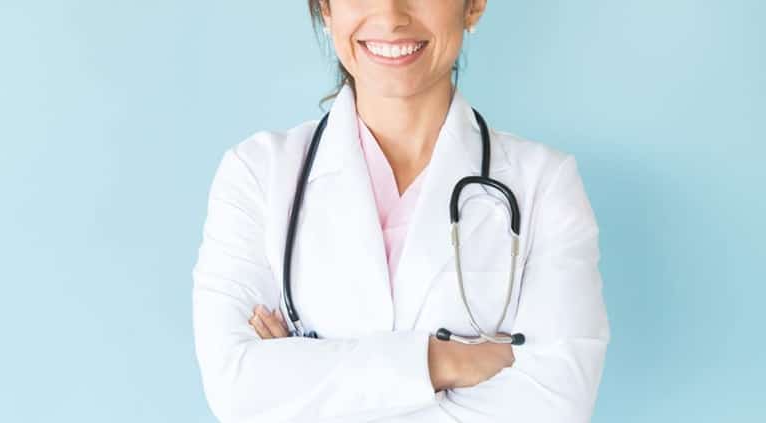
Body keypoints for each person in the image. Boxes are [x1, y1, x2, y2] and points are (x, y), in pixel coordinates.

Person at [192, 1, 610, 421]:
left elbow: (556, 404)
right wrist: (440, 361)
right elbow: (237, 389)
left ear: (475, 6)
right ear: (325, 8)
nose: (391, 16)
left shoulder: (545, 184)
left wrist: (305, 376)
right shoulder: (257, 174)